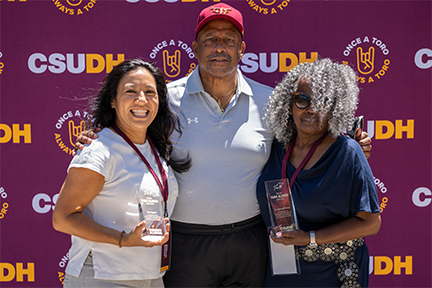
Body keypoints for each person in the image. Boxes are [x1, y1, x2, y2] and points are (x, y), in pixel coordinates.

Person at [74, 3, 372, 287]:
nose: (219, 47)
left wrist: (352, 145)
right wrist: (100, 139)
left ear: (241, 49)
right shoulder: (163, 99)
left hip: (251, 239)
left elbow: (312, 134)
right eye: (210, 39)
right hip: (186, 241)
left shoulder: (269, 102)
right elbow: (130, 132)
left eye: (228, 39)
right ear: (195, 47)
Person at [52, 59, 191, 288]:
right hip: (103, 277)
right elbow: (63, 218)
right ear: (113, 101)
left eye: (149, 92)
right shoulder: (98, 149)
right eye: (131, 91)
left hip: (151, 277)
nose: (142, 100)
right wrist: (123, 240)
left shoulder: (156, 149)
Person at [256, 58, 381, 287]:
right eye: (303, 100)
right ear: (289, 103)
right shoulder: (276, 147)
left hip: (332, 273)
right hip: (282, 270)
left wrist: (310, 238)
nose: (311, 109)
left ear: (335, 107)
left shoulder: (347, 152)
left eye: (322, 101)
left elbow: (371, 223)